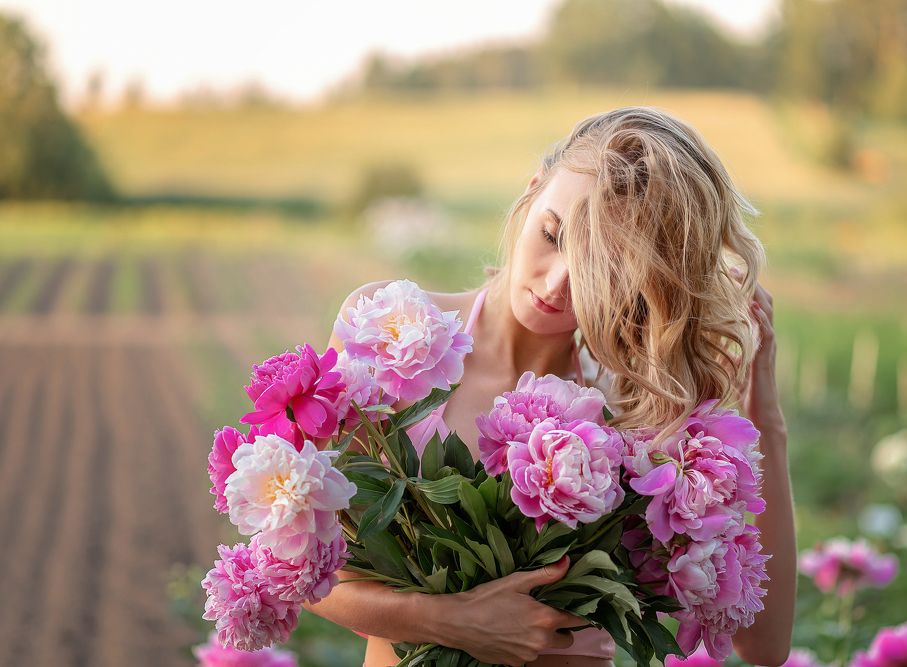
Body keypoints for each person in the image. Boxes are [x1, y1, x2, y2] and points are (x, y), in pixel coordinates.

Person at [306, 105, 796, 667]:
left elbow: (763, 645)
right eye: (553, 234)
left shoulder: (636, 415)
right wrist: (454, 622)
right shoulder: (391, 333)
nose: (559, 281)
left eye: (604, 267)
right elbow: (302, 572)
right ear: (532, 191)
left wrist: (767, 418)